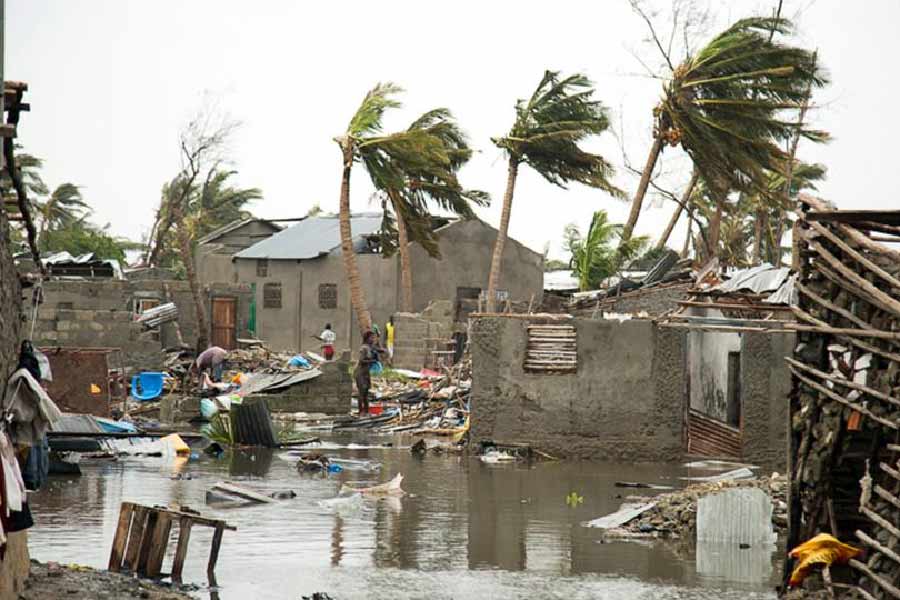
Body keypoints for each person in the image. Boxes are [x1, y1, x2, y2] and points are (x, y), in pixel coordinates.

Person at [353, 331, 378, 416]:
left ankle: (366, 411)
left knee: (366, 393)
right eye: (371, 338)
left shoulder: (370, 348)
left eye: (373, 338)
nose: (373, 339)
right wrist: (372, 361)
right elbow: (362, 360)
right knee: (362, 392)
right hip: (360, 372)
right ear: (367, 338)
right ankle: (361, 412)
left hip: (366, 372)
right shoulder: (364, 348)